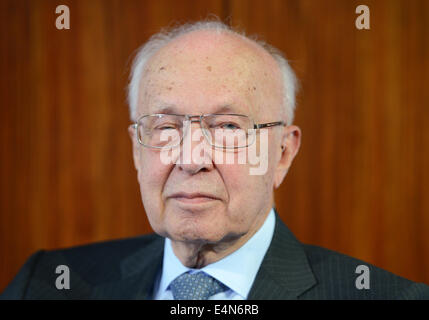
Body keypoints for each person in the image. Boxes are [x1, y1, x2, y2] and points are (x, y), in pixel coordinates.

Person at [1, 20, 428, 300]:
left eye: (227, 128)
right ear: (136, 148)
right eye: (166, 127)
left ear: (282, 154)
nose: (191, 159)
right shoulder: (46, 284)